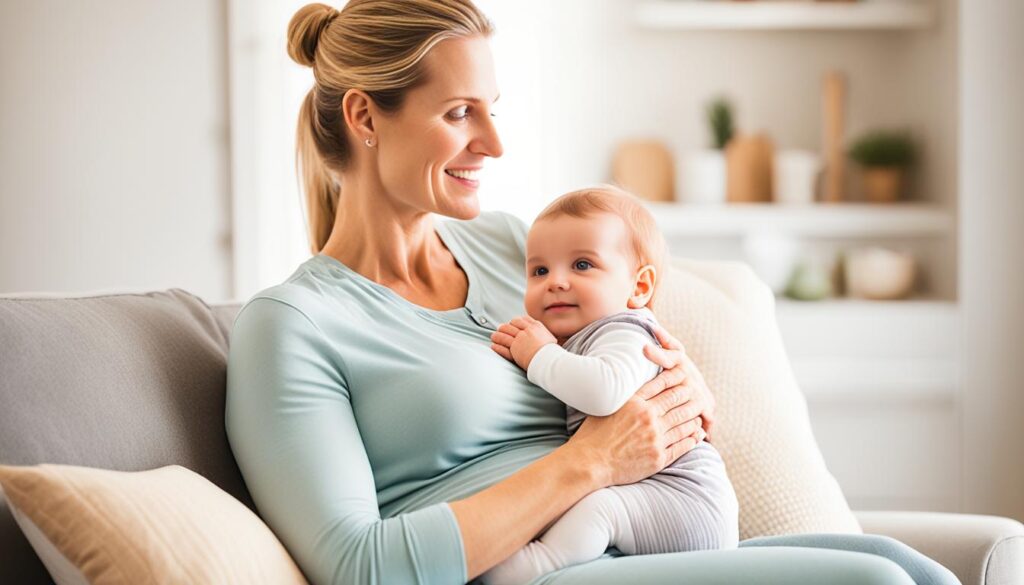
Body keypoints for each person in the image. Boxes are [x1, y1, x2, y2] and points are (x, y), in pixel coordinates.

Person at [224, 1, 961, 584]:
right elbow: (360, 566)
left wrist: (681, 389)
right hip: (540, 566)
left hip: (642, 536)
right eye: (458, 114)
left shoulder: (514, 246)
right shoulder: (293, 326)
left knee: (910, 568)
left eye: (492, 107)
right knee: (873, 582)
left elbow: (632, 343)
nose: (494, 143)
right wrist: (595, 462)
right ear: (363, 118)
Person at [481, 187, 739, 585]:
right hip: (667, 505)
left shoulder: (626, 332)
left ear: (638, 288)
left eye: (582, 265)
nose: (556, 282)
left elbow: (604, 392)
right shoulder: (586, 338)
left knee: (601, 508)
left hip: (686, 502)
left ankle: (543, 563)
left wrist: (539, 355)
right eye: (539, 271)